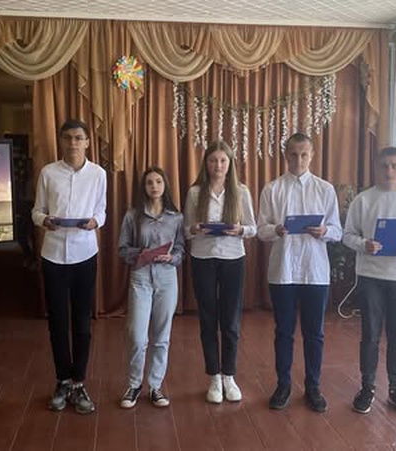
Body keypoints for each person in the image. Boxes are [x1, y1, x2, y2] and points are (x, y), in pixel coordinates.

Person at [257, 132, 342, 412]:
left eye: (304, 154)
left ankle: (313, 386)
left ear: (312, 155)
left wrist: (324, 231)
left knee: (314, 333)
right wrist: (277, 229)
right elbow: (261, 230)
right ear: (285, 155)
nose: (299, 160)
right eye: (293, 154)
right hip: (282, 271)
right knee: (283, 331)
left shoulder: (325, 189)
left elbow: (338, 231)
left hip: (315, 271)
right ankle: (283, 384)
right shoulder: (272, 189)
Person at [343, 146, 396, 417]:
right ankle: (367, 387)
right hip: (371, 276)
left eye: (394, 165)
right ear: (376, 167)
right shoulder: (363, 200)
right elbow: (347, 235)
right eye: (384, 165)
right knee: (370, 335)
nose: (389, 171)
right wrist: (364, 244)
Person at [31, 119, 107, 415]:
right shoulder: (48, 173)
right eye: (67, 138)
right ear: (61, 141)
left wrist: (95, 222)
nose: (73, 143)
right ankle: (62, 380)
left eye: (78, 138)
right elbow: (37, 210)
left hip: (85, 254)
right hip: (53, 255)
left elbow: (101, 210)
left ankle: (79, 382)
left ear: (87, 142)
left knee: (82, 322)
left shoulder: (98, 174)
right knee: (57, 322)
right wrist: (44, 220)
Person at [184, 141, 256, 404]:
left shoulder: (241, 191)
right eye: (213, 160)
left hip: (233, 259)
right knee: (207, 319)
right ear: (206, 163)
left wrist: (240, 230)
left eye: (223, 160)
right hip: (202, 259)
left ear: (230, 163)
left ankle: (229, 375)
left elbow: (252, 228)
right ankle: (214, 376)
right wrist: (195, 229)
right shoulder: (195, 193)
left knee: (230, 321)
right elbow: (186, 230)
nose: (218, 165)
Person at [118, 167, 185, 408]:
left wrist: (173, 258)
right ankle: (134, 384)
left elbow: (181, 249)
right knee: (137, 336)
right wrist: (141, 253)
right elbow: (122, 249)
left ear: (165, 185)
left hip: (167, 278)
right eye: (149, 183)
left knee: (161, 336)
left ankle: (155, 386)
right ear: (144, 187)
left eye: (158, 181)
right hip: (141, 277)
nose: (154, 186)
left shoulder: (177, 218)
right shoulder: (132, 216)